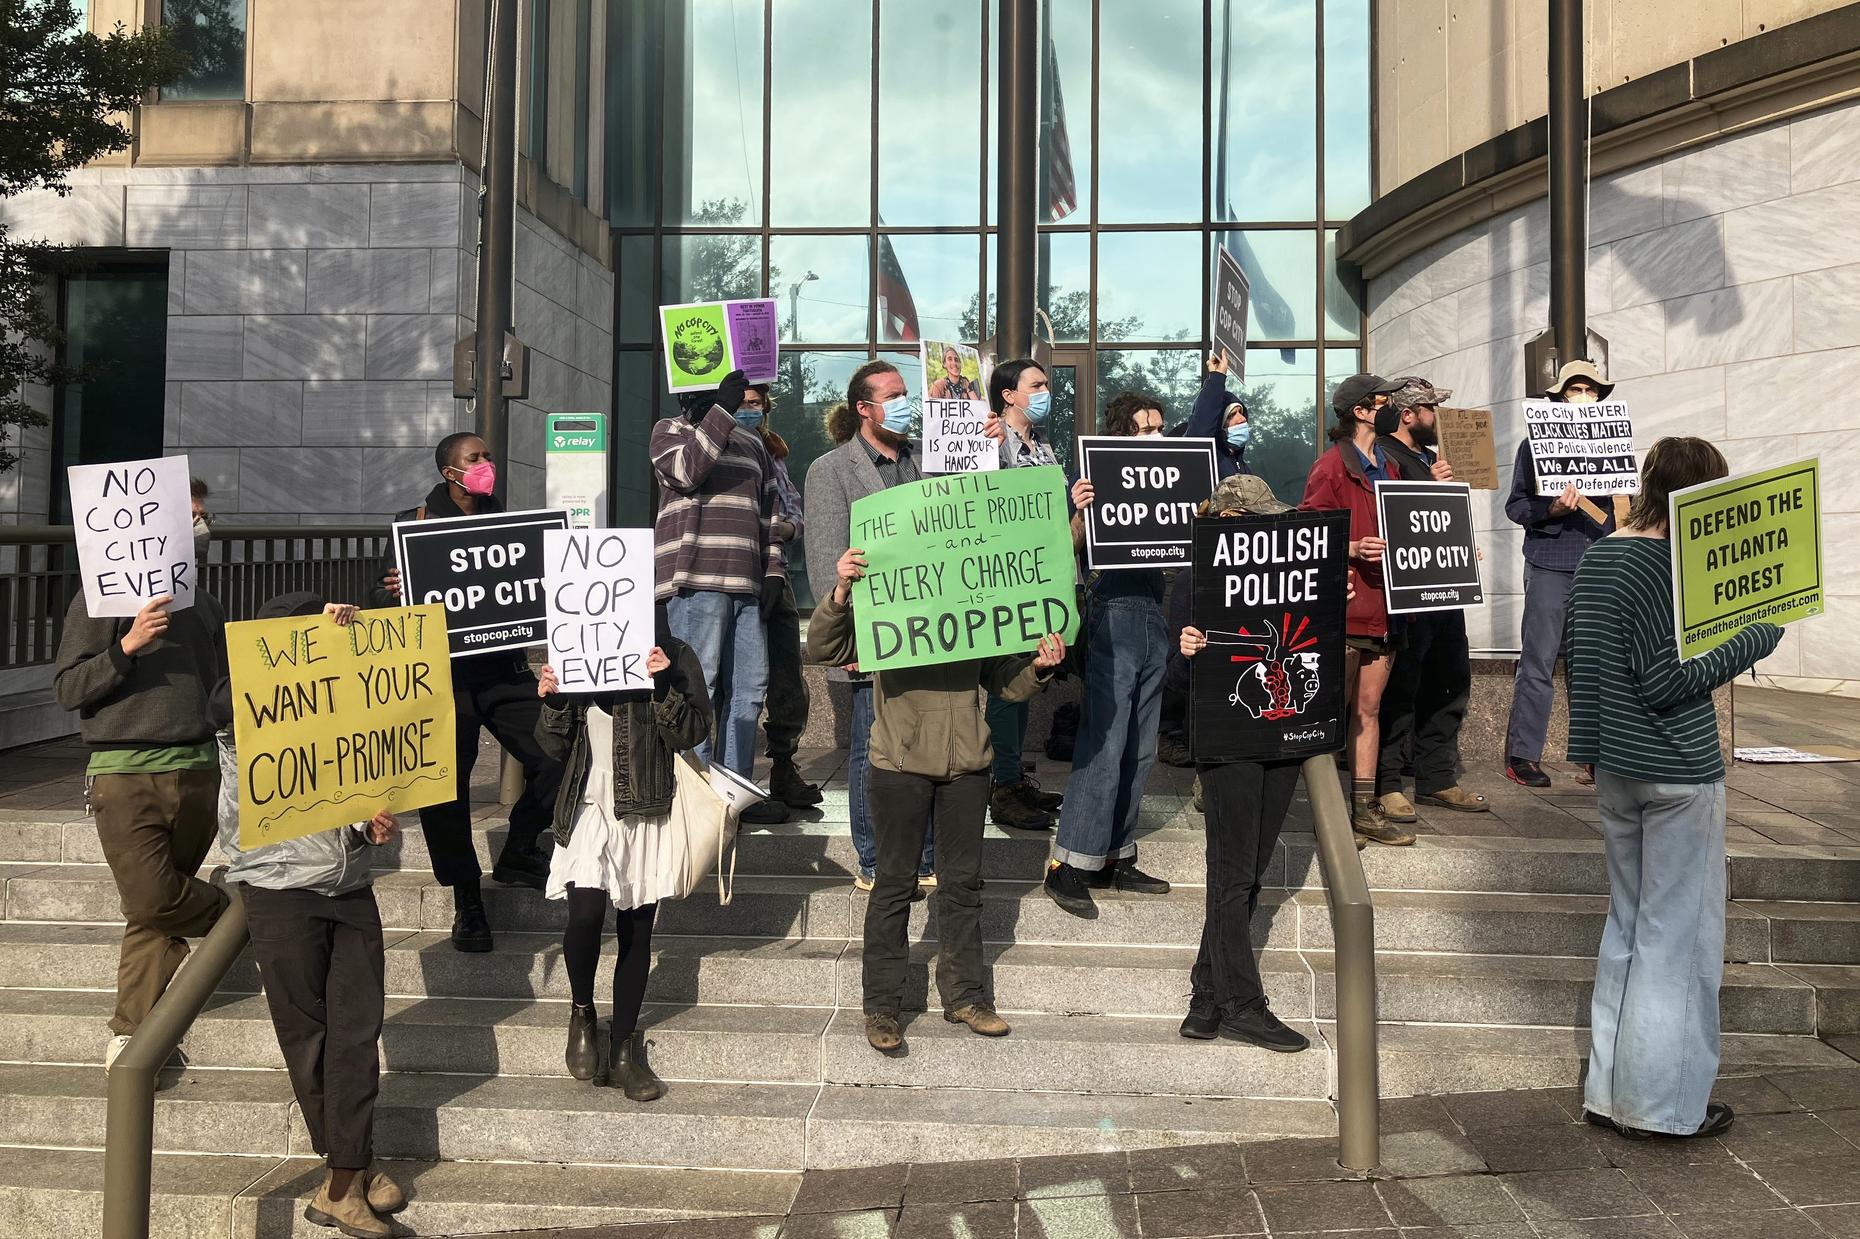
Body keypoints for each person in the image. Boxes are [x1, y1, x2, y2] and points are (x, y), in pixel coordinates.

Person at [1565, 436, 1782, 1141]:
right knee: (1677, 943)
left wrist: (1587, 748)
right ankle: (1661, 1106)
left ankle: (1609, 1091)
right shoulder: (1667, 564)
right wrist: (1758, 633)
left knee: (1626, 929)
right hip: (1676, 768)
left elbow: (1581, 658)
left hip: (1615, 767)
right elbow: (1666, 679)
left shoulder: (1600, 554)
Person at [809, 543, 1067, 1054]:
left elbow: (1003, 680)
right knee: (893, 886)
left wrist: (1038, 668)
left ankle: (967, 998)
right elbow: (824, 649)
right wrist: (840, 592)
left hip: (967, 768)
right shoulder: (885, 601)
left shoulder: (974, 604)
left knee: (964, 883)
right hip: (898, 766)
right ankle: (883, 1006)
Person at [209, 593, 405, 1239]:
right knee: (311, 1037)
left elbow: (355, 794)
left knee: (357, 1032)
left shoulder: (345, 720)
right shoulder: (240, 708)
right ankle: (349, 1172)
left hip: (348, 887)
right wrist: (313, 634)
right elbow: (226, 702)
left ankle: (344, 1175)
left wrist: (370, 827)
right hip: (277, 889)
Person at [372, 432, 565, 952]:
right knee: (444, 790)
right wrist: (391, 594)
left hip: (502, 672)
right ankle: (467, 901)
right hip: (440, 681)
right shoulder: (411, 526)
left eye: (487, 456)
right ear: (448, 472)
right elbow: (378, 597)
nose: (486, 464)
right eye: (473, 458)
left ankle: (520, 846)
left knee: (558, 749)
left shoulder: (505, 524)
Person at [54, 584, 230, 1070]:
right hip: (123, 773)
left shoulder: (205, 601)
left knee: (150, 914)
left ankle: (133, 1034)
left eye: (203, 516)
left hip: (199, 769)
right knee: (150, 898)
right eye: (190, 512)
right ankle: (238, 910)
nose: (199, 525)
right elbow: (69, 689)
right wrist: (127, 645)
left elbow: (228, 685)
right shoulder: (96, 599)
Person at [534, 618, 711, 1102]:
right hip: (586, 806)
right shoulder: (576, 649)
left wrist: (662, 684)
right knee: (585, 915)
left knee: (637, 929)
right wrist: (551, 699)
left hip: (646, 809)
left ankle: (626, 1049)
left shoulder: (673, 651)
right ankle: (583, 1011)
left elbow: (693, 730)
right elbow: (551, 747)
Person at [1174, 473, 1314, 1053]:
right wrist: (1185, 646)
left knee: (1248, 868)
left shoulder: (1286, 572)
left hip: (1282, 732)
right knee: (1232, 872)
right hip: (1229, 733)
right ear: (1229, 519)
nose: (1269, 528)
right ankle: (1240, 1003)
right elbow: (1172, 649)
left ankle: (1207, 991)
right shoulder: (1196, 571)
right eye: (1257, 518)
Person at [802, 361, 936, 890]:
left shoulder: (927, 459)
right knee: (869, 750)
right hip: (869, 637)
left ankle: (924, 858)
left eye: (907, 394)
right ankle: (876, 859)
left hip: (928, 632)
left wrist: (987, 440)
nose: (905, 403)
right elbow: (824, 560)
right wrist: (846, 639)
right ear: (864, 408)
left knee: (924, 746)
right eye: (894, 396)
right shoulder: (830, 470)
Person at [1043, 390, 1173, 916]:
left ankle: (1116, 853)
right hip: (1111, 606)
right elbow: (1063, 547)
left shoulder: (1169, 481)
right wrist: (1078, 510)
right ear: (1120, 435)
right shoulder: (1090, 478)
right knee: (1106, 739)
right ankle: (1069, 863)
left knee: (1140, 746)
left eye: (1160, 426)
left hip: (1153, 610)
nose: (1155, 435)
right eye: (1144, 428)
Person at [650, 369, 789, 826]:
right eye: (730, 397)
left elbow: (772, 512)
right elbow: (687, 472)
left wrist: (773, 572)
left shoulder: (752, 445)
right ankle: (694, 795)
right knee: (699, 688)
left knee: (749, 692)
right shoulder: (671, 431)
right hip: (695, 580)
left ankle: (734, 793)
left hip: (746, 584)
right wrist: (721, 414)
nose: (745, 405)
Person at [1301, 373, 1416, 848]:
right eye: (1382, 401)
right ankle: (1328, 812)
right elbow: (1307, 534)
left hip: (1386, 608)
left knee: (1369, 710)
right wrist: (1350, 548)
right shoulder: (1330, 467)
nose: (1390, 407)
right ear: (1361, 411)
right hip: (1348, 609)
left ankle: (1363, 808)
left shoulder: (1391, 467)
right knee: (1333, 710)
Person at [1372, 378, 1489, 821]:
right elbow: (1394, 515)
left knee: (1449, 679)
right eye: (1430, 409)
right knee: (1402, 687)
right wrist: (1430, 482)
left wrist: (1460, 547)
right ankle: (1387, 783)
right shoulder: (1386, 456)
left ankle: (1437, 777)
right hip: (1410, 597)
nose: (1437, 417)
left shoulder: (1431, 459)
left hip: (1446, 589)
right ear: (1408, 414)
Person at [1504, 359, 1618, 788]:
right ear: (1559, 398)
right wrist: (1551, 509)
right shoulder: (1533, 446)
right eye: (1576, 390)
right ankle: (1523, 755)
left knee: (1596, 665)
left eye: (1591, 390)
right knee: (1539, 660)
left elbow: (1626, 507)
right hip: (1551, 562)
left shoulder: (1615, 443)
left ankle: (1597, 756)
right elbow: (1516, 507)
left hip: (1601, 564)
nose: (1584, 396)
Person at [981, 358, 1066, 830]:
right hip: (1004, 580)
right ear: (1009, 395)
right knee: (1006, 682)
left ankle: (1012, 775)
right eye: (1035, 385)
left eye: (1046, 384)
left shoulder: (1045, 447)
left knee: (1030, 677)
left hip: (1039, 579)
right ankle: (1003, 784)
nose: (1045, 391)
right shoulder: (994, 442)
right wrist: (987, 449)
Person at [742, 382, 822, 811]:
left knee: (787, 675)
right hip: (731, 575)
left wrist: (779, 530)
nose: (749, 410)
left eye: (755, 404)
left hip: (775, 575)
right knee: (734, 681)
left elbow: (795, 517)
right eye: (742, 404)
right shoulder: (713, 444)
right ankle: (729, 775)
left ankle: (783, 766)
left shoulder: (773, 453)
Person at [1185, 349, 1254, 480]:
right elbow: (1201, 429)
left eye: (1241, 412)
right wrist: (1217, 377)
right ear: (1218, 425)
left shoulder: (1245, 468)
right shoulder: (1208, 459)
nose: (1242, 419)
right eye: (1231, 415)